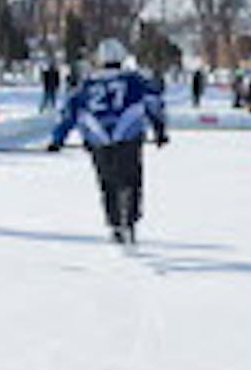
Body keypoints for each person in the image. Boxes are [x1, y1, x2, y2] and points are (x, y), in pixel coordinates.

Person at [46, 39, 167, 245]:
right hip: (128, 135)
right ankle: (128, 220)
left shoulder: (88, 84)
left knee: (107, 183)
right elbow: (153, 103)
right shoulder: (133, 80)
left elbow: (69, 112)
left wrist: (58, 139)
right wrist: (159, 130)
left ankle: (115, 224)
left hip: (98, 137)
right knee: (130, 181)